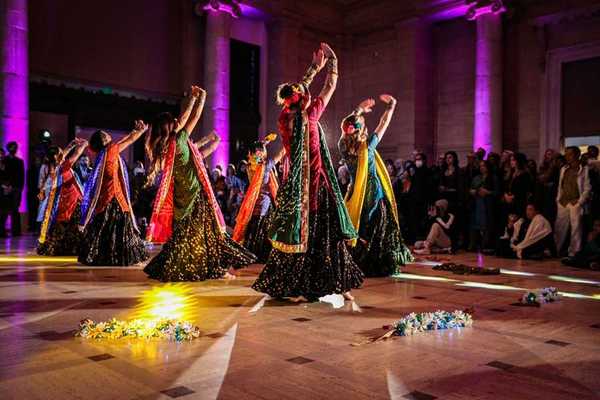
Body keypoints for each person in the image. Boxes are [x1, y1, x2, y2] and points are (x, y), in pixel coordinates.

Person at [252, 43, 363, 302]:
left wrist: (315, 68)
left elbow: (304, 90)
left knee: (324, 236)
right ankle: (309, 285)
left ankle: (337, 282)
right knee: (322, 237)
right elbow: (329, 87)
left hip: (312, 187)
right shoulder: (307, 115)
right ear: (300, 100)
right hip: (309, 190)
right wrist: (330, 63)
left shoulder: (286, 118)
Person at [143, 86, 255, 281]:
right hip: (195, 194)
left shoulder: (166, 147)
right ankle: (209, 265)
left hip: (181, 197)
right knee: (206, 233)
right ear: (170, 127)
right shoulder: (179, 138)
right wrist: (199, 98)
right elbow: (190, 118)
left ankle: (188, 263)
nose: (177, 121)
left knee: (188, 235)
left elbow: (192, 138)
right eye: (174, 121)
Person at [339, 95, 412, 276]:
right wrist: (391, 106)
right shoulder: (368, 145)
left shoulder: (342, 146)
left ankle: (358, 263)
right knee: (375, 228)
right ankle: (375, 264)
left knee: (359, 227)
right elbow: (383, 122)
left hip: (356, 194)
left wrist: (358, 109)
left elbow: (347, 126)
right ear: (362, 129)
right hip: (374, 195)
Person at [78, 122, 149, 266]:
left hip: (108, 196)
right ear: (104, 141)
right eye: (105, 134)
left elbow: (124, 141)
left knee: (104, 227)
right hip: (113, 196)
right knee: (117, 226)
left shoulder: (103, 155)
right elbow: (127, 141)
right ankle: (114, 256)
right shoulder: (110, 151)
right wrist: (139, 132)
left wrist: (136, 131)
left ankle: (104, 256)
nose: (108, 135)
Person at [232, 134, 285, 262]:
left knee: (253, 231)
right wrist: (287, 142)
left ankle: (250, 254)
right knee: (263, 231)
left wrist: (263, 144)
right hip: (263, 204)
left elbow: (255, 155)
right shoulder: (265, 166)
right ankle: (258, 255)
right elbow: (280, 154)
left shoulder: (251, 166)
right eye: (260, 151)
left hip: (254, 204)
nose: (262, 153)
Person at [37, 139, 88, 255]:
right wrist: (84, 145)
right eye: (61, 154)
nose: (64, 155)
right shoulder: (63, 166)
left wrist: (71, 145)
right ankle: (72, 248)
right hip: (72, 201)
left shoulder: (54, 166)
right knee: (75, 225)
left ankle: (64, 248)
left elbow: (63, 155)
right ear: (57, 157)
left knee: (63, 225)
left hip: (63, 201)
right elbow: (76, 155)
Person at [554, 146, 591, 257]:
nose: (567, 156)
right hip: (563, 201)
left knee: (576, 228)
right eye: (566, 154)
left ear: (576, 155)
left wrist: (580, 202)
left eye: (569, 154)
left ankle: (574, 252)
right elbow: (560, 186)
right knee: (559, 227)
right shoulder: (564, 169)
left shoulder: (584, 169)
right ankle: (557, 250)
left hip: (576, 202)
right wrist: (558, 199)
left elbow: (587, 188)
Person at [468, 160, 499, 251]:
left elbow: (497, 192)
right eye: (480, 166)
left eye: (484, 166)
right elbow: (471, 189)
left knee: (487, 225)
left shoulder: (493, 178)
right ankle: (474, 244)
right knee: (475, 224)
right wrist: (472, 191)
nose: (482, 168)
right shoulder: (476, 178)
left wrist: (488, 192)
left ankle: (486, 245)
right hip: (477, 203)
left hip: (488, 204)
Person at [0, 142, 25, 236]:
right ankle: (2, 230)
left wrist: (20, 188)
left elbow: (22, 176)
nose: (13, 149)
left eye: (15, 147)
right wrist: (6, 186)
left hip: (16, 188)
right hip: (6, 188)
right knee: (4, 209)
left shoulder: (19, 161)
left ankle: (16, 231)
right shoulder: (4, 160)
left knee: (15, 209)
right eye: (12, 147)